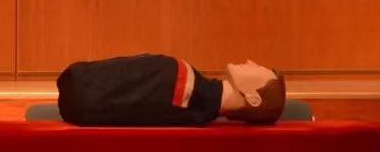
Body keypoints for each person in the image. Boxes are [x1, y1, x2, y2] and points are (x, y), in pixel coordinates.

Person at [56, 54, 286, 126]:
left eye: (263, 71)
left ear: (253, 99)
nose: (251, 62)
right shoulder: (190, 104)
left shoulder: (179, 79)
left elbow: (82, 88)